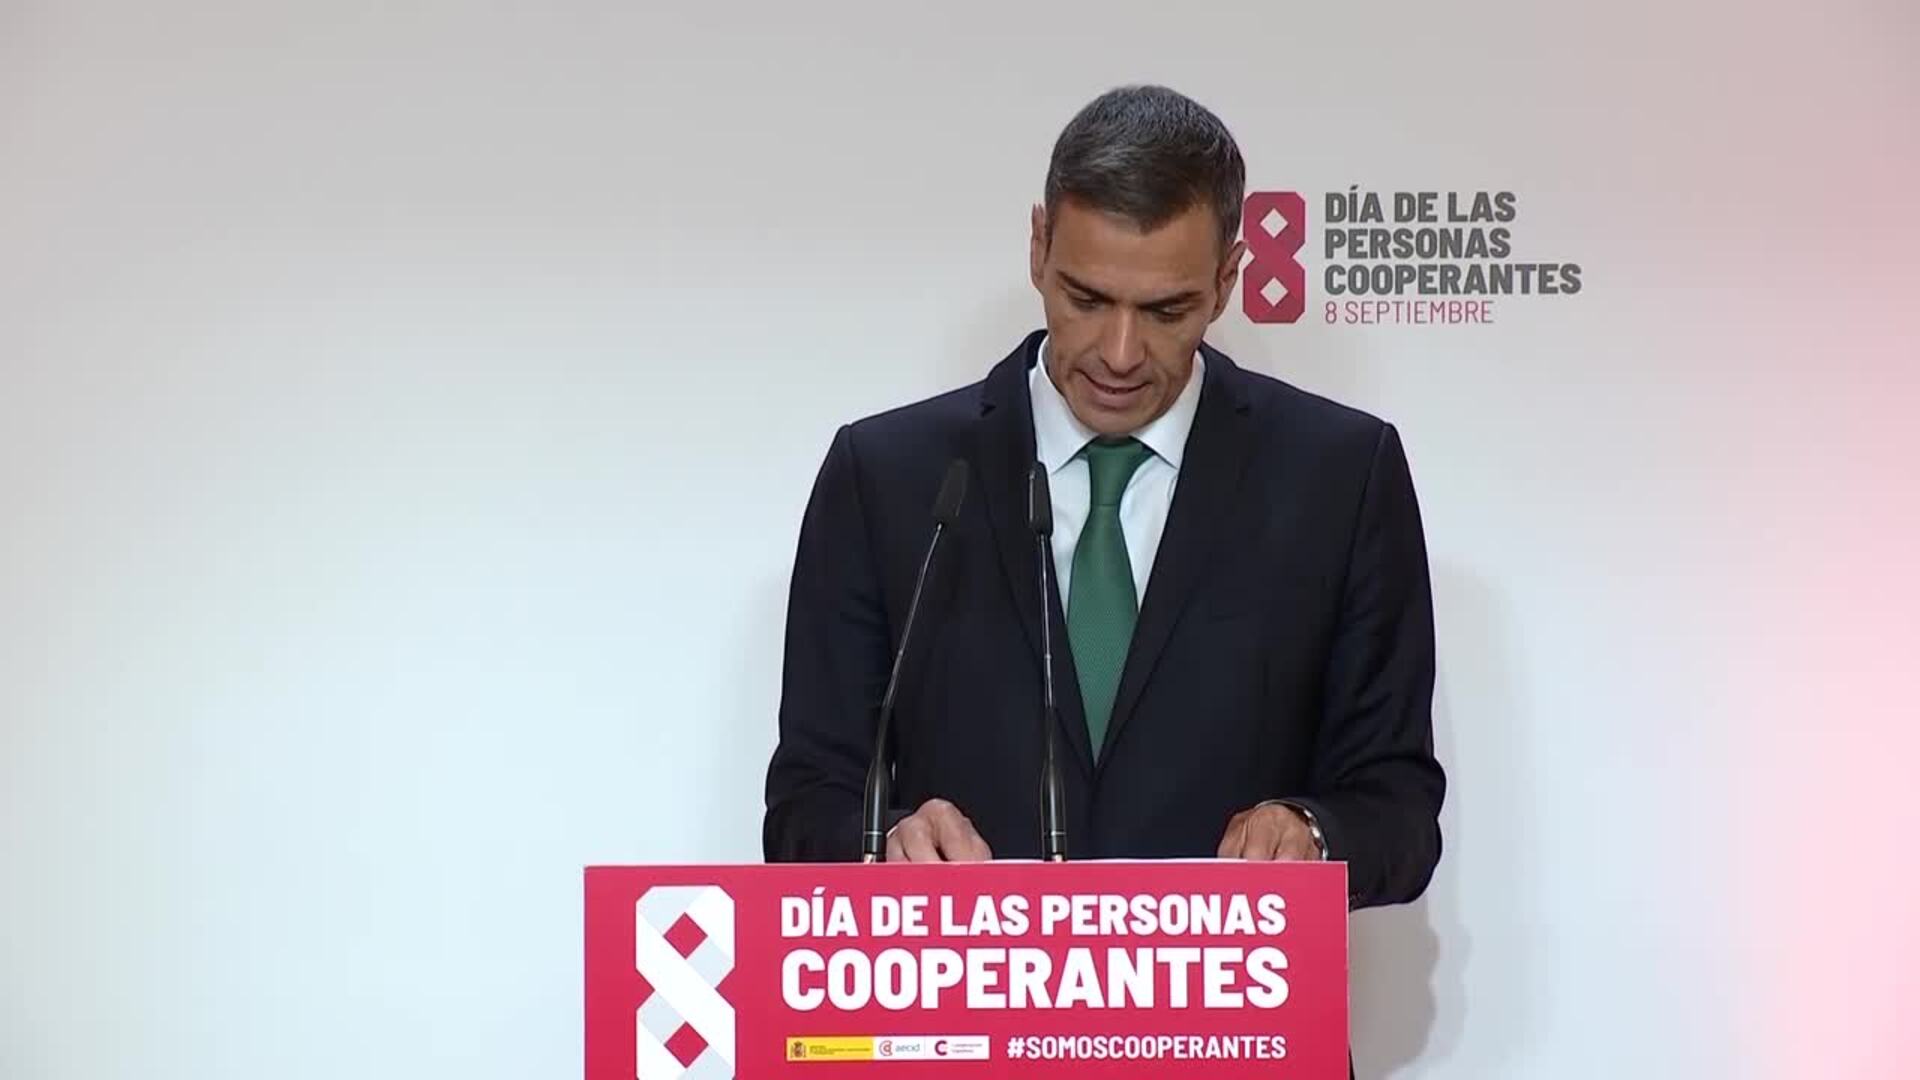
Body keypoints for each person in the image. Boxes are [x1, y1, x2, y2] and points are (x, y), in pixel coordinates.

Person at [762, 85, 1442, 911]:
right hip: (969, 991)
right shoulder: (888, 477)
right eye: (1086, 299)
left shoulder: (1340, 477)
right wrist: (887, 838)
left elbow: (1397, 808)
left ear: (1228, 279)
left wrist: (1312, 831)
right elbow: (806, 805)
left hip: (1229, 994)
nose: (1119, 353)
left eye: (1166, 311)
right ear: (1038, 247)